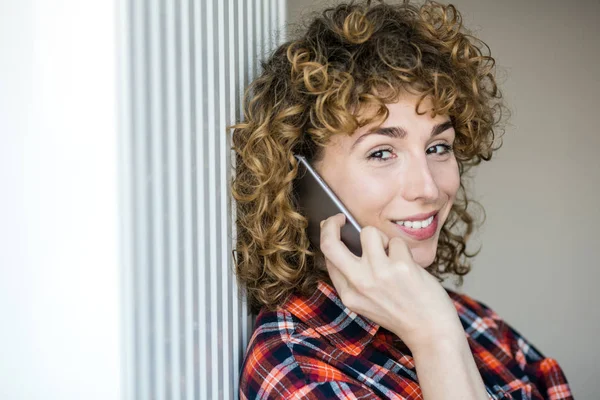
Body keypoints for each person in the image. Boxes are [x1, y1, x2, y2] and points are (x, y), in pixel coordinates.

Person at [230, 1, 574, 398]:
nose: (428, 188)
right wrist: (435, 340)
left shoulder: (477, 324)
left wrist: (440, 326)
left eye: (438, 147)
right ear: (302, 180)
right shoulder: (299, 367)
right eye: (381, 153)